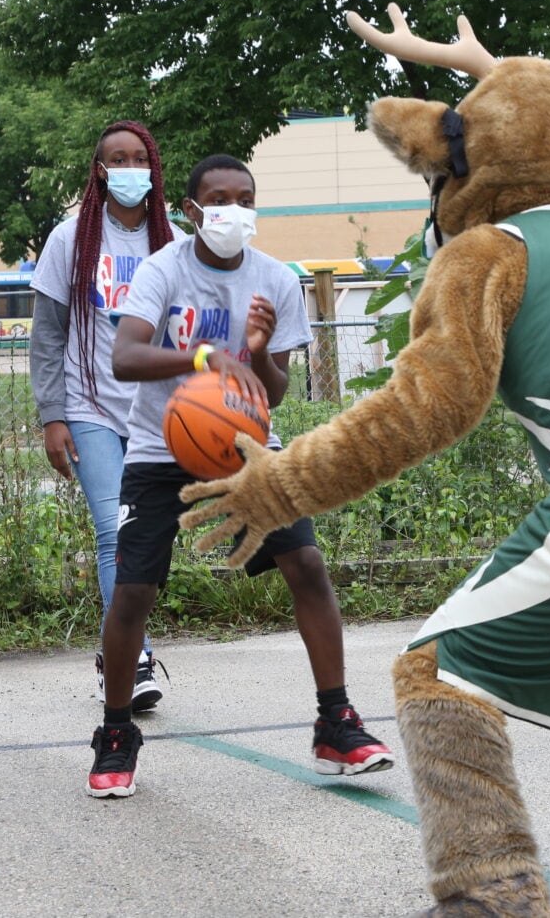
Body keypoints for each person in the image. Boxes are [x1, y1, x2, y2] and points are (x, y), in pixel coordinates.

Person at [84, 154, 394, 798]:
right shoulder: (162, 269)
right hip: (159, 445)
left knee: (307, 565)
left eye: (244, 197)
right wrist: (202, 355)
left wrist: (254, 353)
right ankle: (116, 730)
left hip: (247, 446)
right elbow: (125, 356)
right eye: (219, 198)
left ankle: (335, 721)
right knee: (135, 592)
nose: (233, 208)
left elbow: (273, 390)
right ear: (193, 210)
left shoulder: (276, 280)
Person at [31, 120, 182, 710]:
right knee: (111, 529)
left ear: (153, 166)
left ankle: (119, 647)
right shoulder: (70, 239)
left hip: (155, 411)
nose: (128, 168)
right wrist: (52, 416)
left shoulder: (173, 241)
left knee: (148, 534)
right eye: (116, 159)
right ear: (99, 170)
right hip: (88, 403)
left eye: (138, 157)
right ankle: (132, 659)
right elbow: (46, 338)